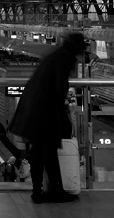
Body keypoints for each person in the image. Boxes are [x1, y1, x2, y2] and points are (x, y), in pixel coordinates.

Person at [9, 33, 86, 204]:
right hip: (44, 110)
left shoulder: (56, 55)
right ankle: (54, 191)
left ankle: (40, 192)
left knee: (40, 152)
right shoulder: (65, 58)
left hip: (36, 108)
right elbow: (60, 87)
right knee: (48, 152)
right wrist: (62, 109)